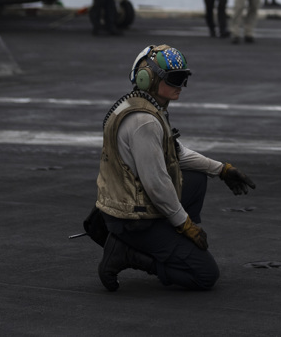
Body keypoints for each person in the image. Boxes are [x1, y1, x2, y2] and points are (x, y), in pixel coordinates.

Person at [95, 44, 256, 291]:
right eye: (175, 79)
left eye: (184, 78)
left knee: (197, 178)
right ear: (147, 78)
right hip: (131, 219)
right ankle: (127, 253)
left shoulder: (142, 105)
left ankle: (167, 239)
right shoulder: (144, 122)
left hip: (125, 203)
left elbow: (177, 154)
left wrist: (221, 170)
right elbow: (156, 183)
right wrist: (185, 225)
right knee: (205, 275)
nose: (181, 86)